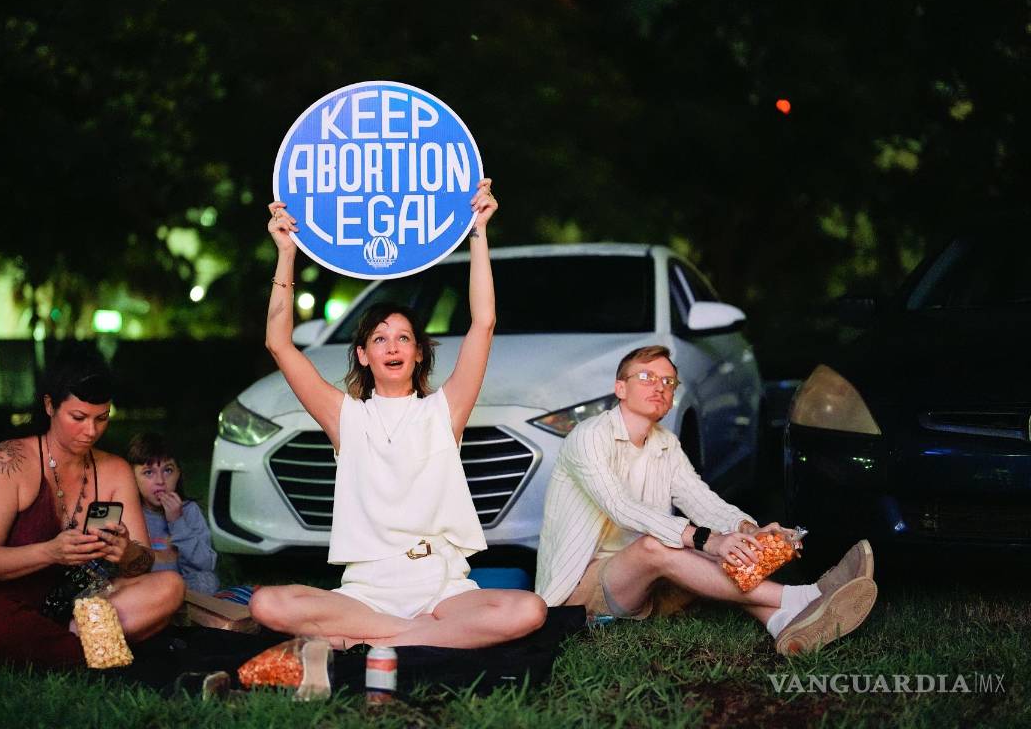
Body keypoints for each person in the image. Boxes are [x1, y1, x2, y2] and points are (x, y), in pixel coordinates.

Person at [248, 179, 548, 649]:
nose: (392, 346)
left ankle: (380, 640)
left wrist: (478, 233)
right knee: (267, 604)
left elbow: (483, 323)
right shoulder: (344, 416)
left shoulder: (443, 411)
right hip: (367, 591)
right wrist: (286, 252)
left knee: (528, 609)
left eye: (404, 338)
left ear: (418, 355)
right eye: (380, 338)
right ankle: (419, 638)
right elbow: (279, 343)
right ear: (364, 355)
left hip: (442, 586)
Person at [535, 345, 877, 656]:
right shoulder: (590, 436)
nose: (660, 387)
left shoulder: (665, 443)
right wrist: (709, 540)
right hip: (582, 593)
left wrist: (747, 530)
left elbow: (701, 500)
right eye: (646, 377)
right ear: (620, 388)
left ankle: (782, 623)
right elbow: (620, 507)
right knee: (663, 546)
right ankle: (804, 597)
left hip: (644, 581)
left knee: (718, 548)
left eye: (669, 382)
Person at [0, 345, 185, 667]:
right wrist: (51, 552)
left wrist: (126, 552)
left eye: (102, 418)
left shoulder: (114, 471)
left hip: (76, 600)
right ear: (49, 406)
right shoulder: (11, 460)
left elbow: (142, 563)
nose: (91, 431)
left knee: (170, 587)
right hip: (3, 596)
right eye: (78, 417)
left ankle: (69, 642)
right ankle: (87, 647)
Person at [128, 431, 219, 594]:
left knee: (207, 580)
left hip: (182, 587)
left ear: (178, 473)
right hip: (146, 587)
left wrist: (177, 522)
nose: (160, 481)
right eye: (149, 473)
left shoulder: (189, 510)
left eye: (168, 470)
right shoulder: (131, 513)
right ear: (132, 477)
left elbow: (205, 564)